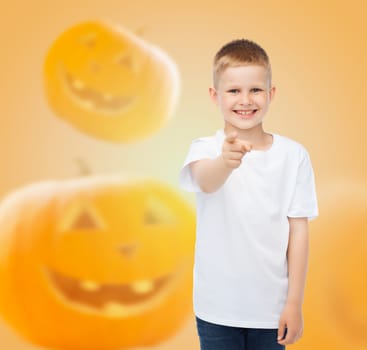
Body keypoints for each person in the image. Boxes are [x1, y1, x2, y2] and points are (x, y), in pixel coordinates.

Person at [178, 39, 319, 350]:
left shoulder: (293, 155)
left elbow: (299, 231)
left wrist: (294, 302)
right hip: (216, 309)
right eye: (233, 91)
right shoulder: (206, 149)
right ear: (215, 96)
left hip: (271, 311)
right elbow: (206, 180)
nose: (245, 100)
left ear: (271, 94)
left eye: (255, 89)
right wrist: (225, 162)